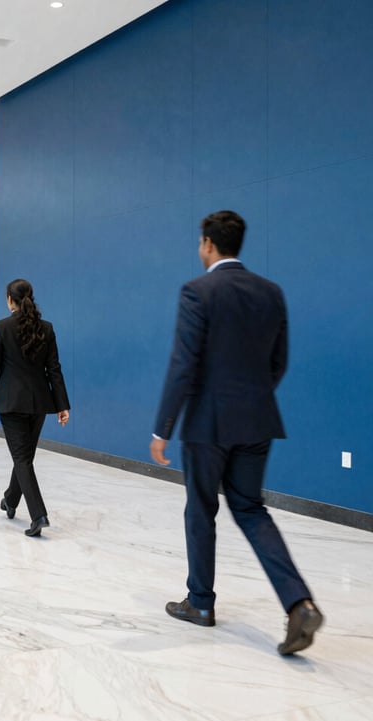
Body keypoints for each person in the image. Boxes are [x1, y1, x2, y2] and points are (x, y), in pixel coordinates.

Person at [150, 210, 323, 656]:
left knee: (200, 508)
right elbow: (278, 361)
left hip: (208, 424)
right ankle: (299, 603)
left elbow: (183, 365)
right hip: (258, 420)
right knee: (251, 509)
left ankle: (201, 603)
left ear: (208, 243)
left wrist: (162, 428)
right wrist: (253, 399)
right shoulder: (272, 293)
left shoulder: (197, 291)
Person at [0, 279, 70, 537]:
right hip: (40, 402)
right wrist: (62, 404)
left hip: (11, 402)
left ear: (10, 299)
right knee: (25, 457)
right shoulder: (46, 328)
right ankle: (10, 499)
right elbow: (54, 369)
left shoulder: (1, 327)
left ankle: (38, 515)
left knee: (21, 458)